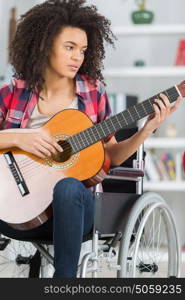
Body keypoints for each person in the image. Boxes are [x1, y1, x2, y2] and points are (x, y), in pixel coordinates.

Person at [0, 0, 182, 278]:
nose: (77, 57)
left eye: (83, 50)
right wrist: (18, 138)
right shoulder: (14, 91)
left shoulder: (92, 93)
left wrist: (146, 129)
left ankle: (65, 285)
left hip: (73, 211)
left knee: (69, 187)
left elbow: (110, 156)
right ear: (45, 45)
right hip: (15, 209)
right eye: (69, 47)